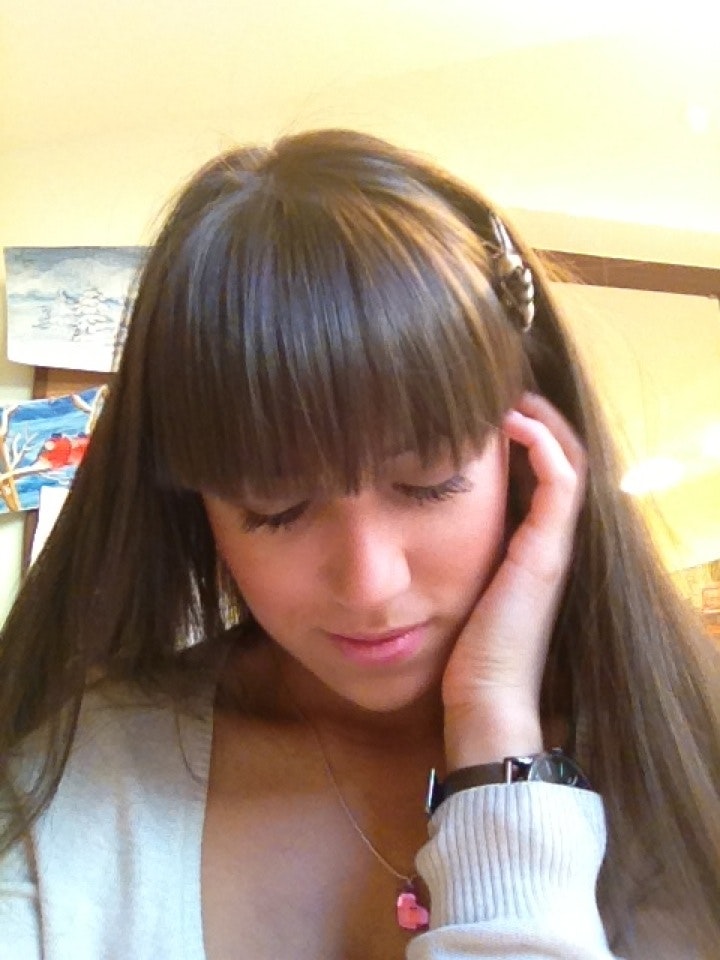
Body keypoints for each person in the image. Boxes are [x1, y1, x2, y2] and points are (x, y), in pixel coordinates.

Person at [1, 129, 719, 960]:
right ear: (195, 506)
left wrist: (494, 731)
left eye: (429, 483)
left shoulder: (684, 759)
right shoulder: (70, 792)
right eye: (275, 508)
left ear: (526, 456)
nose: (370, 583)